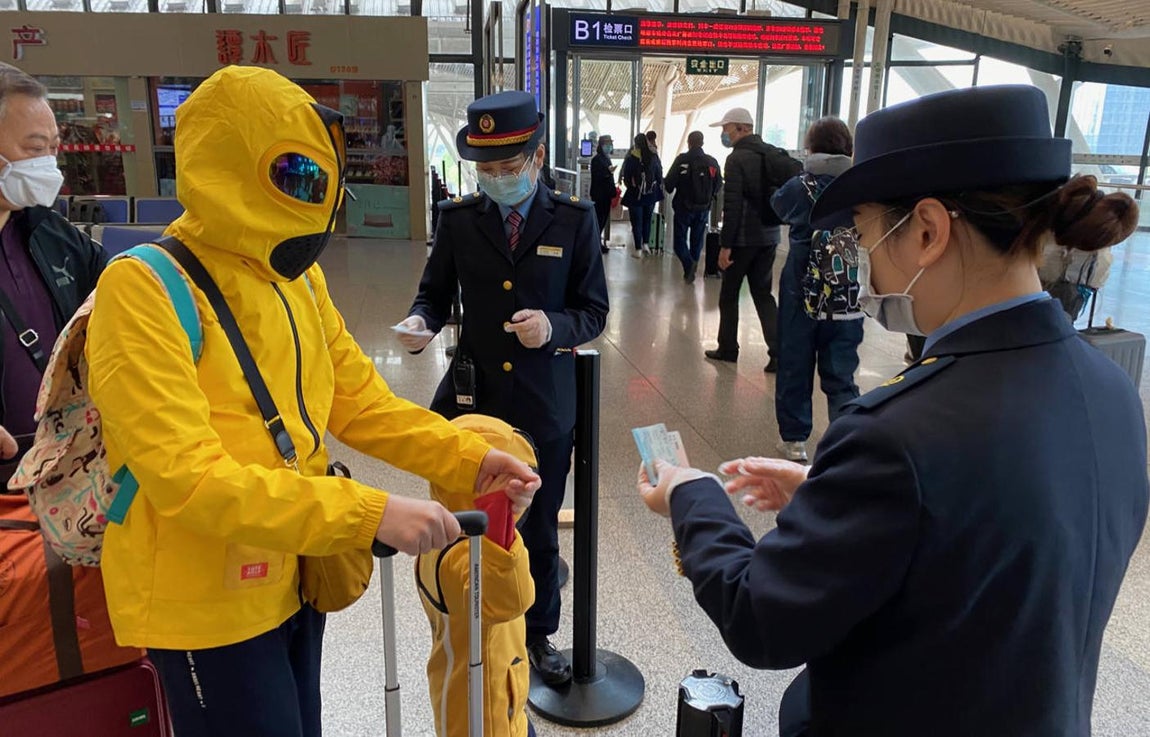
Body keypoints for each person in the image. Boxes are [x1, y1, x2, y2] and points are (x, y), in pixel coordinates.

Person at [636, 85, 1147, 736]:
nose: (868, 270)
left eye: (871, 237)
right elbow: (997, 562)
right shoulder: (1110, 389)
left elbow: (760, 616)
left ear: (929, 231)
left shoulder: (898, 434)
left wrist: (693, 494)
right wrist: (838, 504)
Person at [84, 67, 542, 737]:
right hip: (200, 600)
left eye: (322, 182)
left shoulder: (296, 281)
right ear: (229, 167)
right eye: (295, 177)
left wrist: (471, 457)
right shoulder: (144, 290)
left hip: (293, 564)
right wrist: (370, 513)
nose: (315, 207)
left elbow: (361, 404)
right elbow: (186, 480)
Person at [395, 90, 609, 688]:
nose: (496, 181)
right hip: (475, 400)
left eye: (507, 170)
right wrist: (420, 323)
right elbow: (433, 293)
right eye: (485, 171)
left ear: (536, 160)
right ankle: (467, 611)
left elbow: (593, 310)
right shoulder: (460, 220)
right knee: (466, 515)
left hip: (544, 401)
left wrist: (554, 327)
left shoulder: (574, 218)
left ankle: (539, 632)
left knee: (536, 524)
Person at [0, 63, 106, 489]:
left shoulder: (52, 233)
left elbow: (124, 288)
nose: (48, 162)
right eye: (34, 148)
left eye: (53, 147)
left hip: (65, 472)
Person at [418, 414, 538, 737]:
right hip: (485, 714)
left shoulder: (442, 536)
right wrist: (499, 518)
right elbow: (512, 597)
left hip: (493, 693)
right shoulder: (465, 557)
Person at [769, 117, 864, 462]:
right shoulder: (862, 185)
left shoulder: (800, 186)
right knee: (841, 368)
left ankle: (794, 440)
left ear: (811, 148)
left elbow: (778, 206)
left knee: (795, 360)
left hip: (802, 287)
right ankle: (848, 437)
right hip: (846, 289)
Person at [705, 107, 801, 372]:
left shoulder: (737, 159)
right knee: (763, 294)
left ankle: (728, 348)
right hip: (770, 235)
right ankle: (779, 352)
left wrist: (726, 246)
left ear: (741, 128)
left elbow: (733, 206)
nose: (724, 134)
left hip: (744, 239)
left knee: (729, 294)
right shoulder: (769, 152)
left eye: (727, 128)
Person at [664, 130, 722, 283]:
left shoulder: (682, 160)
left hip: (683, 208)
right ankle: (693, 266)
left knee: (679, 242)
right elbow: (718, 184)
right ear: (702, 143)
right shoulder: (712, 162)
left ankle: (689, 265)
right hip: (703, 209)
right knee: (697, 240)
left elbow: (669, 184)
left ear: (688, 143)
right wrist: (709, 196)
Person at [620, 133, 663, 258]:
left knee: (637, 222)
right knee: (647, 220)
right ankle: (646, 245)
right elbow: (659, 173)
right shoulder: (653, 156)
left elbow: (626, 177)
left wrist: (632, 186)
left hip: (635, 195)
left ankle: (638, 249)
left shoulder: (632, 157)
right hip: (651, 194)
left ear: (636, 144)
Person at [589, 134, 616, 254]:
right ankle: (595, 244)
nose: (609, 146)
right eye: (607, 144)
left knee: (603, 219)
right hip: (599, 194)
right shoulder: (596, 159)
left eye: (610, 144)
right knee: (598, 219)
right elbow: (597, 175)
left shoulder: (606, 158)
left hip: (606, 194)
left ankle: (598, 243)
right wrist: (607, 172)